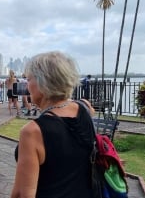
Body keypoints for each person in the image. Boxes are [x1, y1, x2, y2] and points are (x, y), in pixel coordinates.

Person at [11, 51, 95, 198]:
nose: (27, 85)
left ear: (43, 83)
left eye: (29, 79)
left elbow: (22, 194)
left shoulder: (33, 132)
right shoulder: (85, 108)